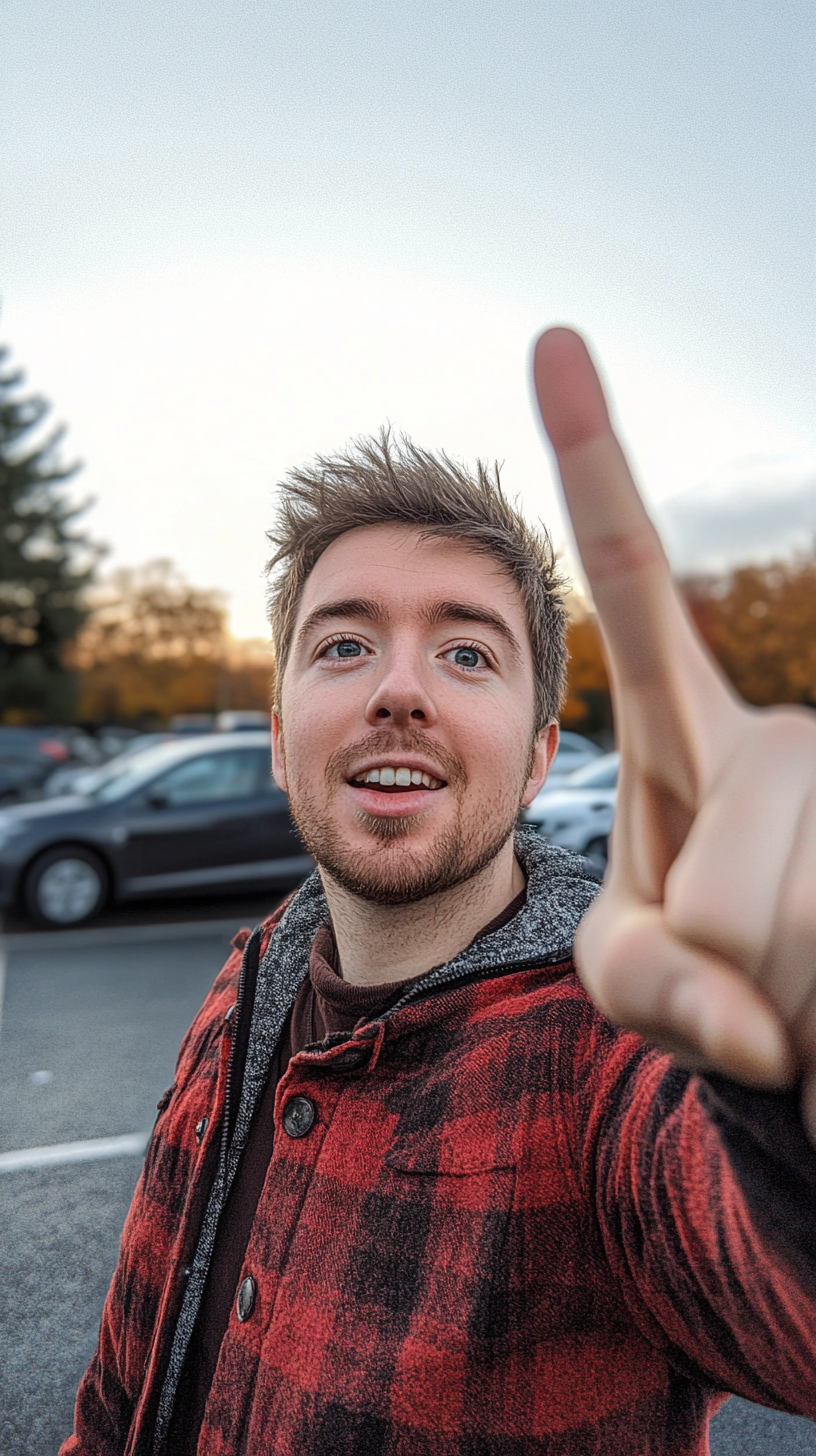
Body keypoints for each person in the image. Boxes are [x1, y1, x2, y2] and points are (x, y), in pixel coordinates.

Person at [61, 330, 816, 1456]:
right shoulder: (250, 975)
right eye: (344, 644)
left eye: (467, 655)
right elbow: (123, 1384)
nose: (399, 690)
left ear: (542, 754)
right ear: (279, 741)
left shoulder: (611, 1055)